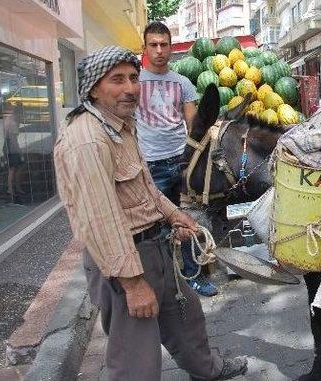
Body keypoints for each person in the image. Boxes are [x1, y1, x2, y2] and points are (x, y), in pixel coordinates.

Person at [54, 46, 247, 381]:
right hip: (124, 262)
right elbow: (100, 222)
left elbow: (145, 188)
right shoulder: (88, 140)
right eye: (117, 80)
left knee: (187, 321)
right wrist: (132, 285)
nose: (130, 88)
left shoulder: (121, 126)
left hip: (155, 249)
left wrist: (174, 215)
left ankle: (209, 370)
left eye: (133, 78)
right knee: (136, 361)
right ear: (94, 88)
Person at [137, 21, 217, 297]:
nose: (159, 50)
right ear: (144, 48)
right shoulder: (135, 82)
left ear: (171, 47)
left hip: (181, 162)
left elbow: (193, 123)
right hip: (151, 165)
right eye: (153, 45)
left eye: (164, 44)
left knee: (186, 221)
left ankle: (194, 278)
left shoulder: (182, 83)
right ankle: (163, 281)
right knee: (155, 228)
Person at [3, 104, 25, 200]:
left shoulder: (8, 119)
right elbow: (14, 141)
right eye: (21, 114)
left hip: (7, 147)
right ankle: (12, 189)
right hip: (12, 148)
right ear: (18, 113)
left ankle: (14, 188)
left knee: (15, 167)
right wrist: (20, 153)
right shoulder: (13, 123)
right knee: (14, 168)